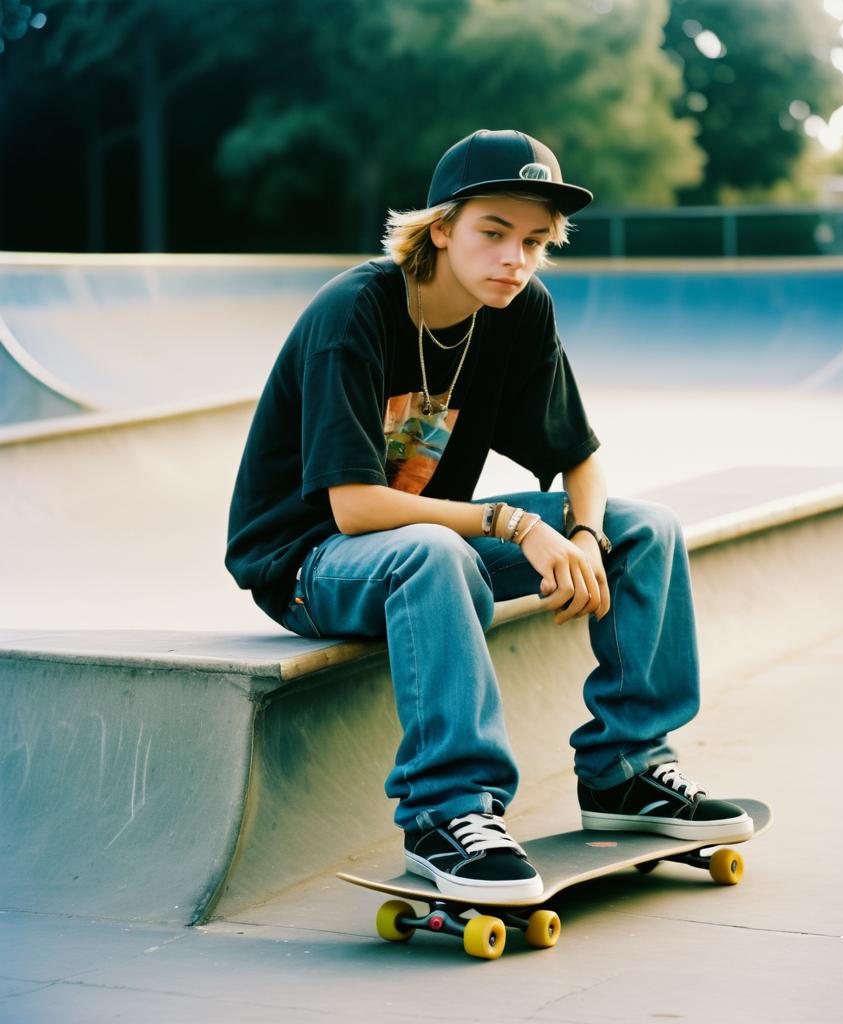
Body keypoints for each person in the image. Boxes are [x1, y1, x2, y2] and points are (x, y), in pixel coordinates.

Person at [226, 129, 752, 902]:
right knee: (434, 552)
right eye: (494, 234)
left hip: (423, 539)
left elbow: (581, 457)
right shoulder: (355, 314)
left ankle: (626, 768)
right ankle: (448, 813)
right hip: (311, 560)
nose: (516, 259)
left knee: (647, 528)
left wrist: (582, 533)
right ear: (441, 228)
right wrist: (515, 525)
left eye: (535, 242)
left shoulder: (517, 310)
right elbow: (355, 505)